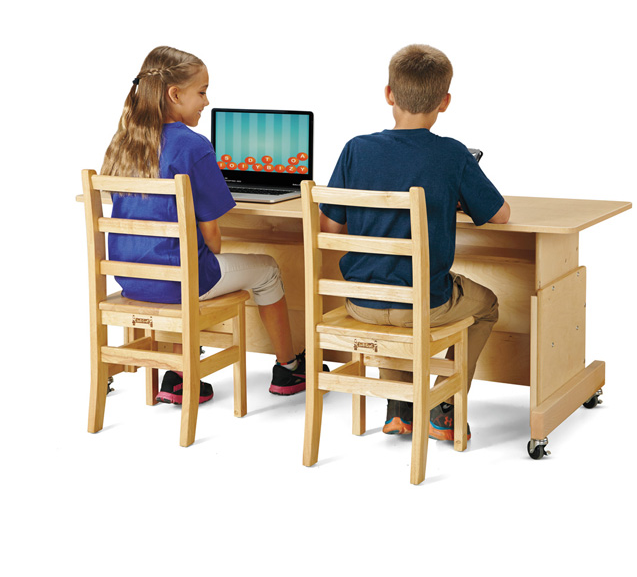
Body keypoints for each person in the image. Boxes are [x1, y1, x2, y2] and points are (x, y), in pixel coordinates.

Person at [319, 44, 510, 441]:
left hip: (361, 304)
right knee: (487, 305)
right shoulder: (451, 154)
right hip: (424, 306)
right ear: (445, 102)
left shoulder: (355, 149)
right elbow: (500, 214)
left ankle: (399, 409)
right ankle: (444, 409)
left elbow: (329, 228)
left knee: (388, 283)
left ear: (389, 94)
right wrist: (452, 196)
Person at [101, 45, 312, 403]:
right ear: (175, 94)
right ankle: (288, 368)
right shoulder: (194, 146)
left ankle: (179, 374)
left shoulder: (125, 142)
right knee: (267, 269)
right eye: (201, 92)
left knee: (186, 269)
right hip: (180, 284)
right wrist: (211, 252)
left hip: (132, 281)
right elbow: (212, 234)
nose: (206, 101)